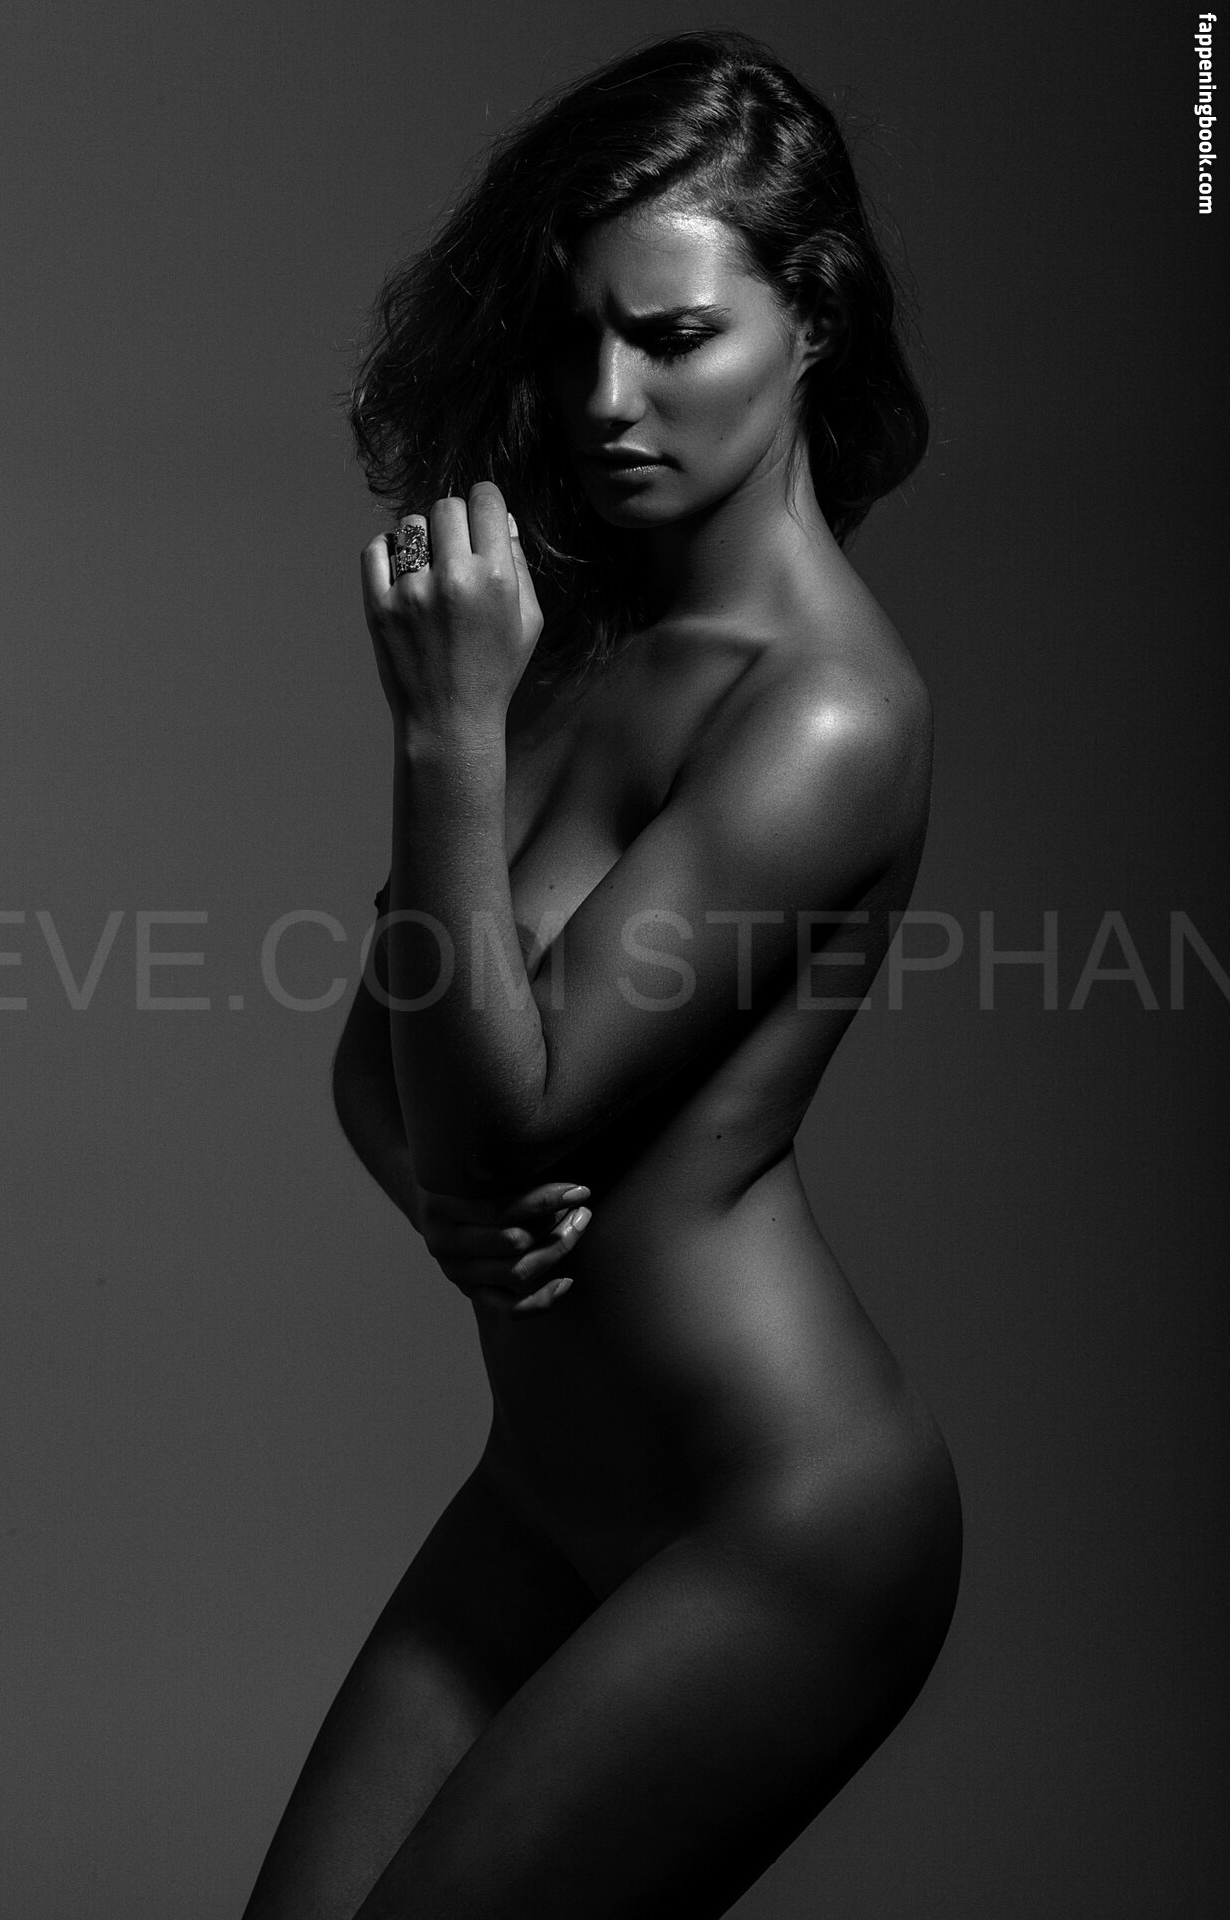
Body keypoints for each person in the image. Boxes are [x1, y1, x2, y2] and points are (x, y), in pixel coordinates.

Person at [242, 29, 962, 1919]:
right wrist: (446, 1207)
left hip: (777, 1524)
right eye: (573, 339)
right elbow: (385, 1068)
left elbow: (516, 1110)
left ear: (812, 323)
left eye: (674, 336)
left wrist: (445, 737)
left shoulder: (824, 709)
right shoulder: (580, 644)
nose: (604, 400)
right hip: (546, 1489)